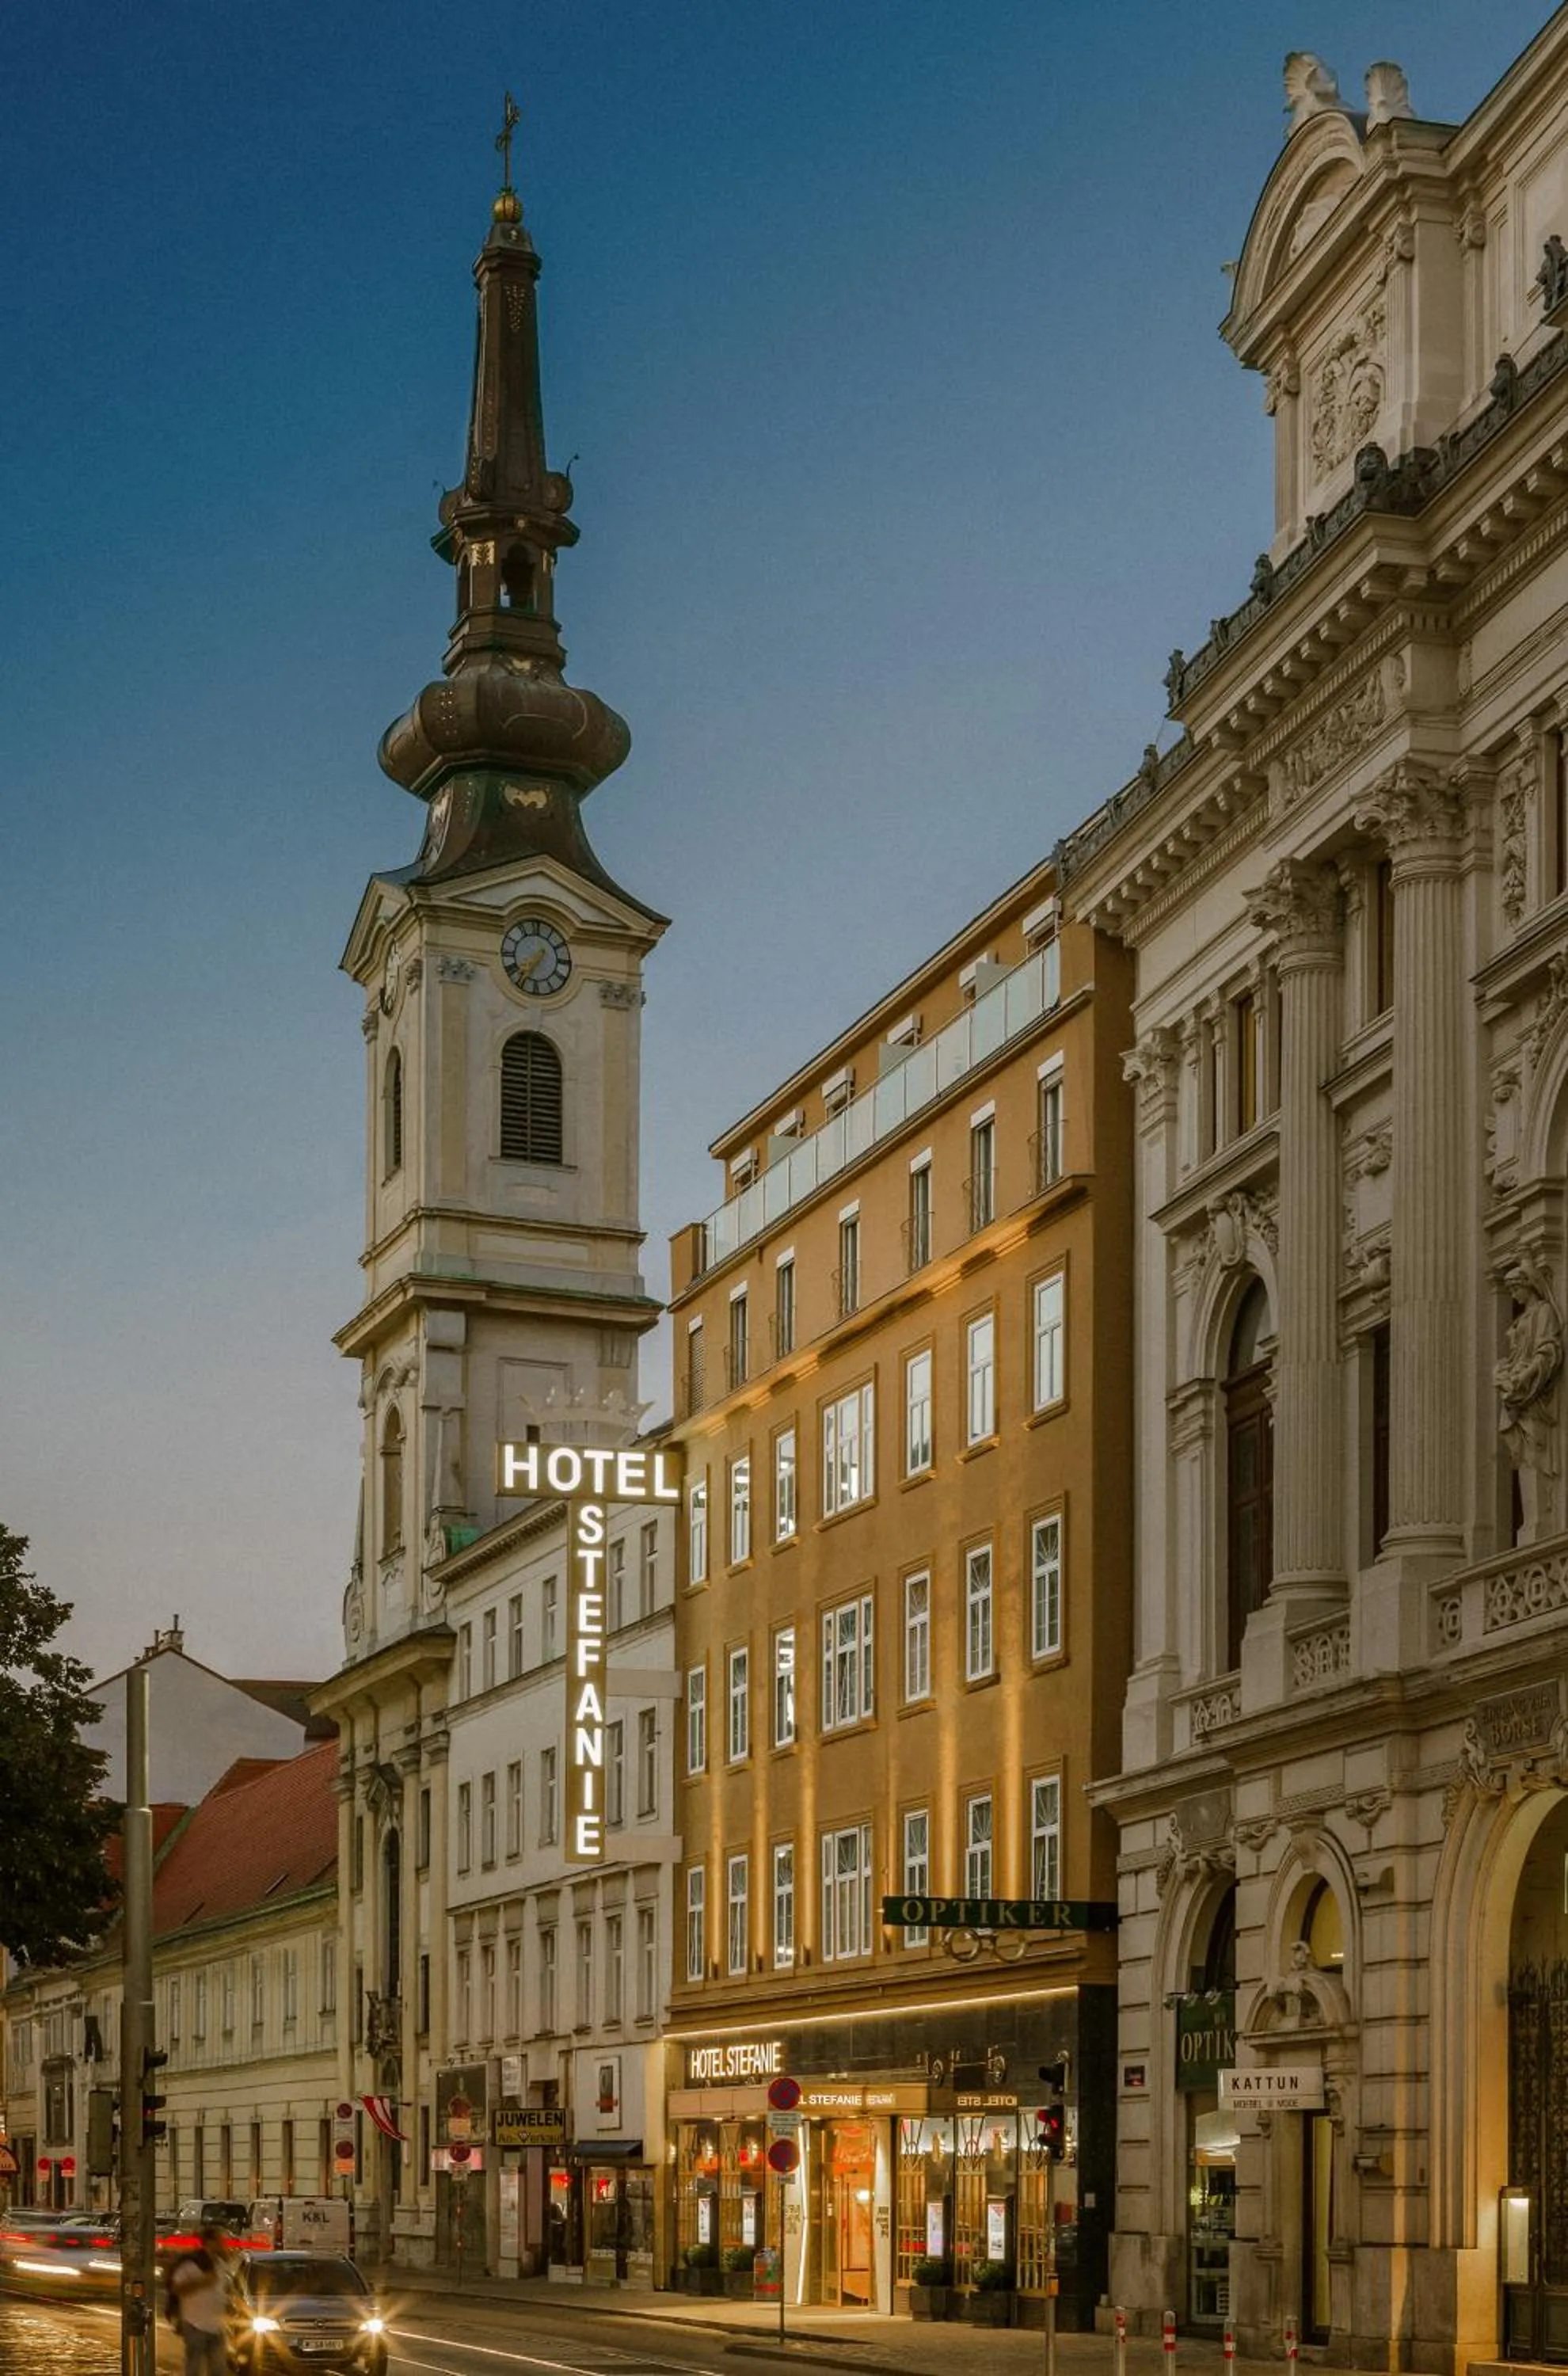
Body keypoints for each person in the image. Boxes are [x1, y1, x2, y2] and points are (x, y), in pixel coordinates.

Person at [166, 2220, 230, 2373]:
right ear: (209, 2242)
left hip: (217, 2326)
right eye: (220, 2240)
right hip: (195, 2324)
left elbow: (223, 2289)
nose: (224, 2244)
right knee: (194, 2368)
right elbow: (176, 2288)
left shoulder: (219, 2263)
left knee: (219, 2368)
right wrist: (201, 2282)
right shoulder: (191, 2263)